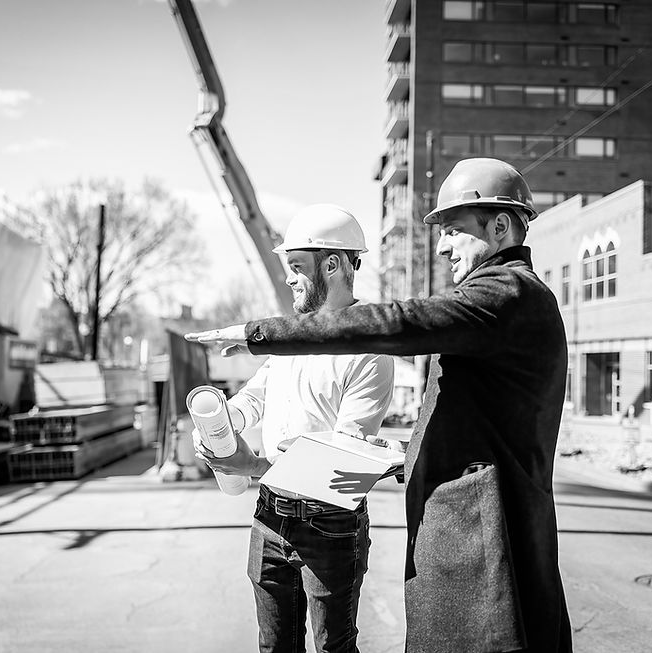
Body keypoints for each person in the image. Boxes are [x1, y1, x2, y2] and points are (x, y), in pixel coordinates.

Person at [187, 158, 573, 653]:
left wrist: (257, 335)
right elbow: (478, 423)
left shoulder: (507, 293)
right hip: (460, 536)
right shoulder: (505, 302)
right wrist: (400, 452)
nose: (441, 245)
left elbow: (400, 322)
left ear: (499, 225)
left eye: (453, 230)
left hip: (480, 543)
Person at [194, 204, 394, 653]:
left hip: (330, 527)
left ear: (333, 264)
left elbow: (342, 467)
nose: (288, 278)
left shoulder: (370, 353)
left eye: (297, 267)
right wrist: (221, 422)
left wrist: (250, 464)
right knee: (274, 647)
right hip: (269, 520)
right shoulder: (294, 339)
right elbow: (254, 396)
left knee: (333, 648)